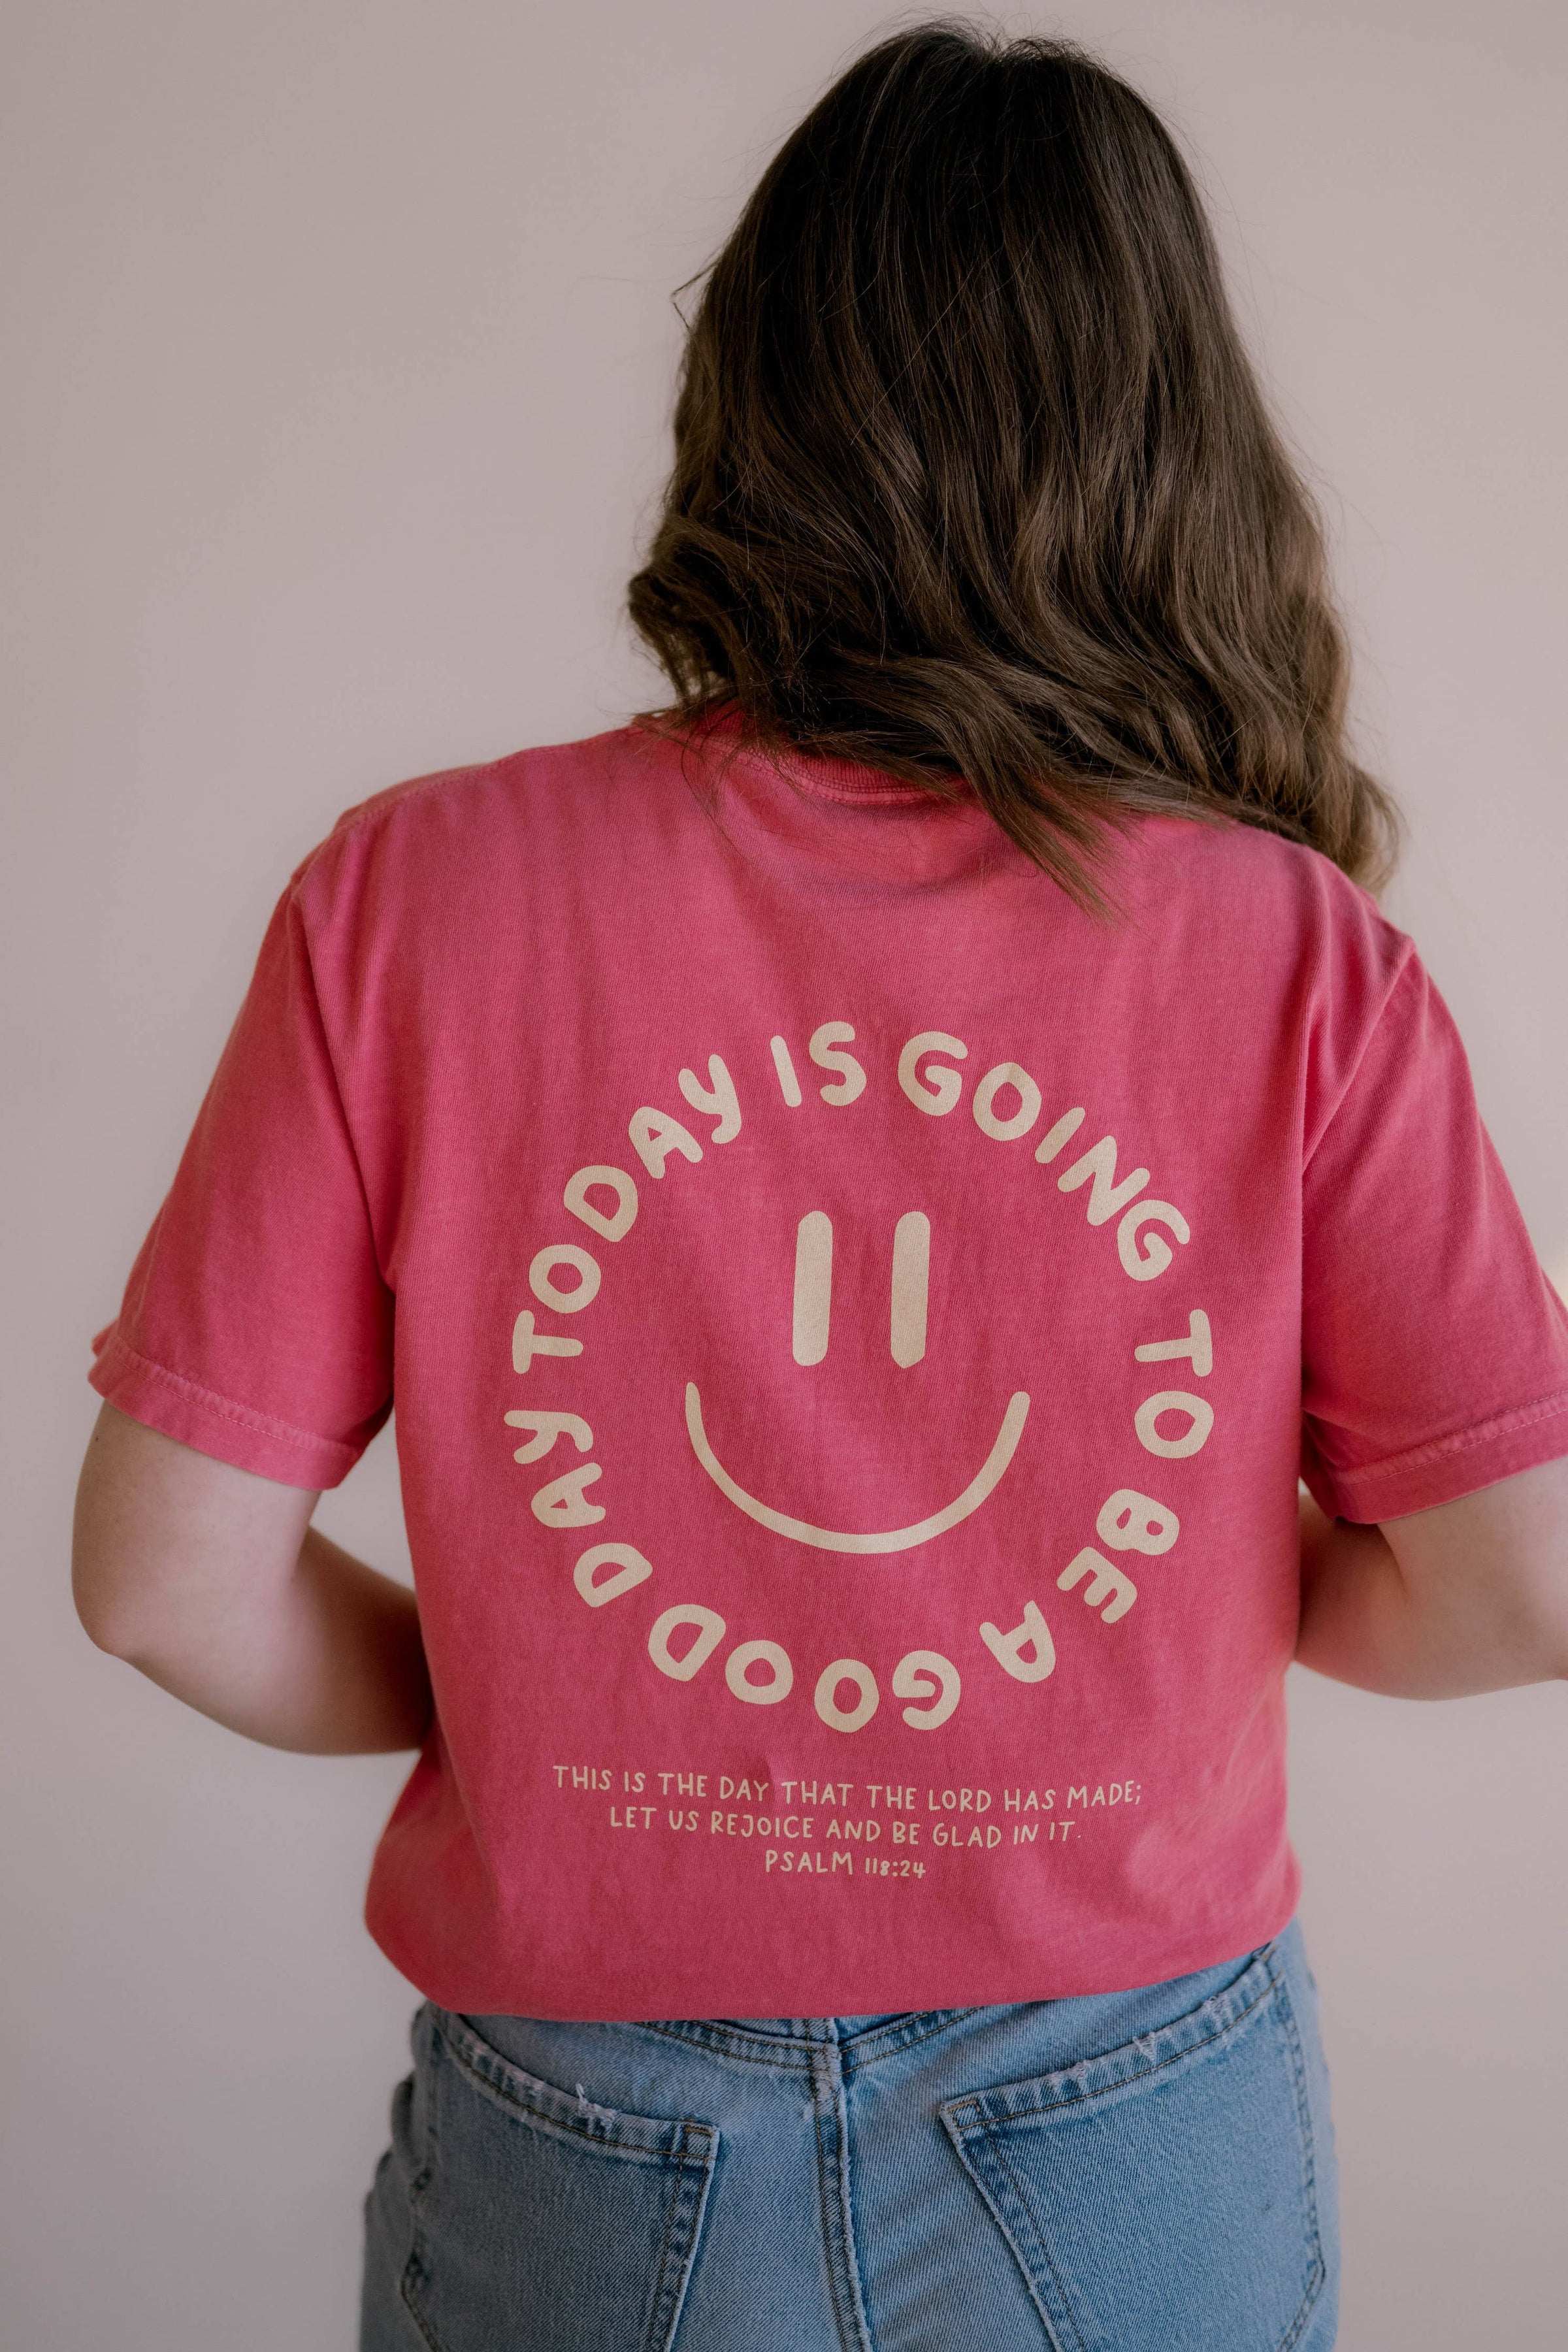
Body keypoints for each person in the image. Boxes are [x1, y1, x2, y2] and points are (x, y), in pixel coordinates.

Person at [71, 22, 1568, 2352]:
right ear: (1174, 438)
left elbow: (164, 1585)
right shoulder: (1289, 953)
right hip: (1125, 2095)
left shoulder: (416, 895)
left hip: (583, 2122)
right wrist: (1200, 1603)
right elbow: (1528, 1578)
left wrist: (536, 1690)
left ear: (750, 400)